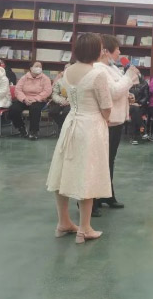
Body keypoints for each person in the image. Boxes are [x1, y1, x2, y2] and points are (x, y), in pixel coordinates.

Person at [46, 33, 113, 244]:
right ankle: (84, 228)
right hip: (90, 126)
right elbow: (106, 107)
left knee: (63, 171)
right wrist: (106, 118)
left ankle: (63, 222)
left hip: (71, 123)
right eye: (101, 47)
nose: (103, 50)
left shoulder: (68, 70)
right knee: (87, 172)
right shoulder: (97, 74)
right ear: (94, 50)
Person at [94, 34, 140, 213]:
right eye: (117, 49)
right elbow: (113, 92)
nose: (120, 52)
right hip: (107, 120)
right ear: (106, 51)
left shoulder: (111, 67)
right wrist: (129, 76)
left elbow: (119, 89)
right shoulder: (99, 68)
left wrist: (128, 94)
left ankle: (107, 194)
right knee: (101, 161)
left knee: (109, 160)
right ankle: (93, 199)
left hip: (116, 120)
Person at [9, 60, 52, 140]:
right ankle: (21, 128)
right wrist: (24, 99)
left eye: (40, 67)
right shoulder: (24, 78)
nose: (38, 68)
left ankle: (33, 131)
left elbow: (47, 91)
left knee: (35, 108)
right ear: (31, 68)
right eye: (36, 66)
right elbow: (18, 90)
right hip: (25, 99)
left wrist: (36, 99)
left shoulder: (45, 78)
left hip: (39, 100)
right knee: (13, 109)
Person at [49, 63, 72, 134]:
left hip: (71, 103)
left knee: (66, 112)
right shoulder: (59, 81)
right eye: (65, 68)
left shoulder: (77, 81)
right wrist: (61, 101)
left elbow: (77, 94)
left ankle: (64, 129)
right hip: (60, 101)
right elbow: (54, 94)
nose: (67, 69)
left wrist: (68, 101)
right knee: (52, 112)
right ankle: (62, 126)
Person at [128, 74, 150, 145]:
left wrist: (139, 103)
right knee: (135, 110)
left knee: (136, 112)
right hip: (127, 106)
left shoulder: (144, 84)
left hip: (140, 106)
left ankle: (133, 137)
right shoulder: (126, 83)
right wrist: (130, 103)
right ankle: (142, 129)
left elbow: (146, 96)